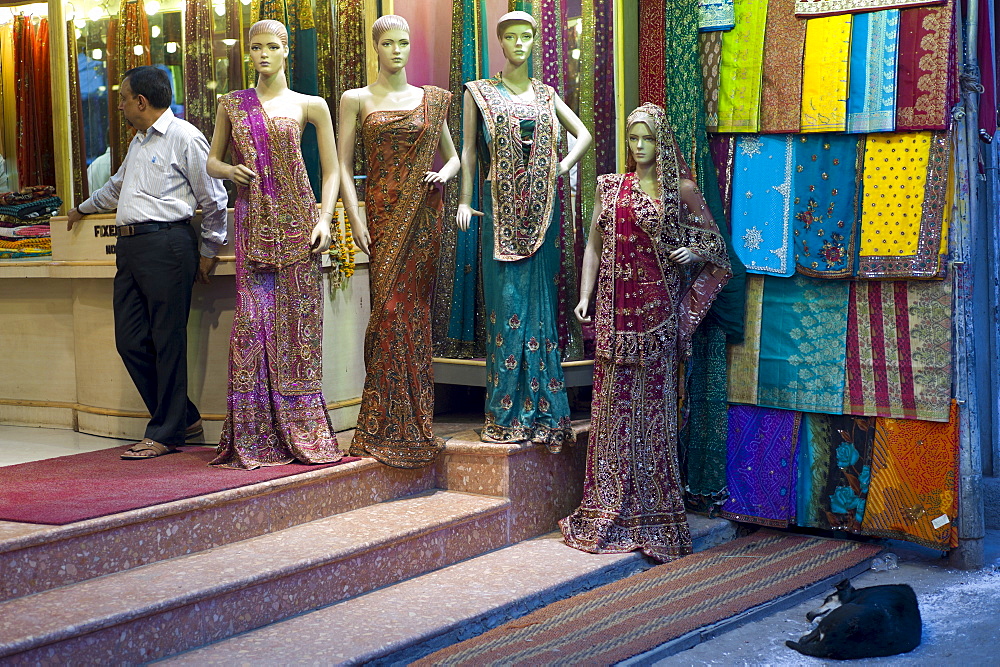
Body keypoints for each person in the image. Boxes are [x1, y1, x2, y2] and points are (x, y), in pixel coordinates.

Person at [559, 103, 731, 562]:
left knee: (654, 416)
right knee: (613, 413)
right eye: (632, 139)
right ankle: (607, 506)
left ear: (661, 141)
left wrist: (692, 253)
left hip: (659, 320)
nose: (638, 148)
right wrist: (585, 294)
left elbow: (718, 252)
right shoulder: (609, 187)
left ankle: (654, 511)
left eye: (646, 139)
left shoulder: (683, 192)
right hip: (615, 320)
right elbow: (595, 242)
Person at [66, 65, 228, 460]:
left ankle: (166, 432)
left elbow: (215, 199)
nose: (120, 106)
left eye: (123, 99)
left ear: (141, 101)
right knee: (131, 341)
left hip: (168, 245)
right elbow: (117, 186)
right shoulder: (139, 141)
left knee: (167, 340)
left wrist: (209, 251)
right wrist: (81, 209)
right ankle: (183, 417)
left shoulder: (185, 137)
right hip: (132, 249)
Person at [207, 19, 343, 469]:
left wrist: (325, 219)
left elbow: (331, 171)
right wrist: (230, 172)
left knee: (298, 331)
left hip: (301, 225)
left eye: (271, 47)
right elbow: (212, 160)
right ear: (248, 53)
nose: (262, 55)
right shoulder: (232, 105)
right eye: (255, 48)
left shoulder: (311, 105)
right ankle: (254, 433)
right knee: (249, 328)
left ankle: (303, 428)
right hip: (253, 225)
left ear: (286, 51)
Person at [456, 11, 592, 449]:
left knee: (540, 306)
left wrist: (561, 166)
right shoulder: (479, 93)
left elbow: (583, 135)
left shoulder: (546, 95)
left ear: (534, 42)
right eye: (511, 37)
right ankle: (506, 412)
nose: (519, 44)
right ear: (500, 41)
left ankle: (544, 412)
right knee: (506, 307)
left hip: (543, 212)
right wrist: (463, 199)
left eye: (526, 36)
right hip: (499, 215)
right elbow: (470, 153)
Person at [338, 15, 460, 468]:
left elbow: (454, 158)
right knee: (386, 313)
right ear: (375, 47)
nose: (397, 50)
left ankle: (415, 420)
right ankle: (382, 420)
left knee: (413, 314)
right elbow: (344, 167)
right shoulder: (356, 99)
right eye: (388, 43)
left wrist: (444, 173)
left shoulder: (432, 100)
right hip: (384, 219)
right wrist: (354, 218)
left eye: (404, 43)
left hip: (424, 218)